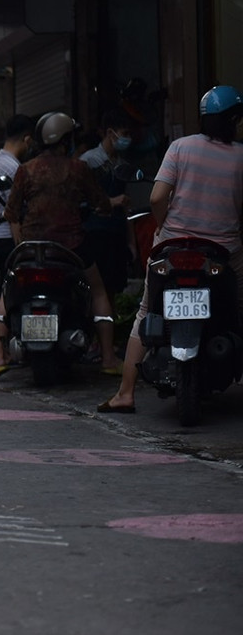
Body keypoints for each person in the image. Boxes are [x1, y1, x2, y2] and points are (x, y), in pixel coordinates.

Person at [99, 85, 243, 415]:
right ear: (234, 119)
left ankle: (125, 393)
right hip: (223, 250)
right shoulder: (240, 156)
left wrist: (165, 228)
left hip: (171, 247)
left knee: (147, 311)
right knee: (239, 306)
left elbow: (155, 198)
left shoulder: (180, 147)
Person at [2, 111, 120, 375]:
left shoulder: (25, 170)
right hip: (72, 247)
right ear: (66, 139)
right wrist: (106, 207)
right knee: (99, 291)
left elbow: (11, 212)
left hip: (32, 249)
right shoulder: (79, 168)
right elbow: (100, 203)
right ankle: (109, 358)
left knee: (6, 288)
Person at [0, 114, 35, 381]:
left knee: (8, 290)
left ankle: (5, 353)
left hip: (1, 237)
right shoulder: (10, 168)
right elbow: (14, 213)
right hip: (9, 237)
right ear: (26, 139)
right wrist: (21, 241)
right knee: (8, 293)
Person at [79, 107, 137, 297]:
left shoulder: (122, 165)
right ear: (110, 132)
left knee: (113, 289)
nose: (128, 139)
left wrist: (131, 243)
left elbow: (127, 207)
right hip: (95, 234)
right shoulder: (88, 161)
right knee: (96, 290)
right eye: (124, 134)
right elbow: (79, 201)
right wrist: (110, 202)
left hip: (116, 235)